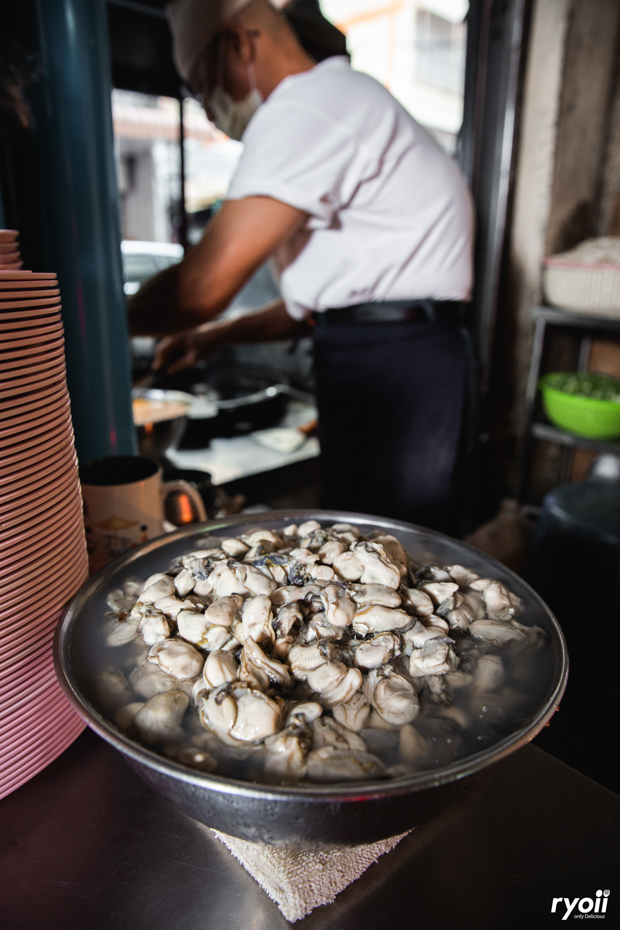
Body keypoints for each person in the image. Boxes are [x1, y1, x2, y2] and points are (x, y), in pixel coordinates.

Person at [129, 0, 474, 533]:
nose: (209, 111)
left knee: (399, 548)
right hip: (378, 354)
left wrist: (88, 318)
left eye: (202, 87)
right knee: (361, 540)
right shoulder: (335, 105)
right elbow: (308, 308)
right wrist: (212, 340)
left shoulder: (311, 105)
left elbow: (197, 291)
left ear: (241, 44)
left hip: (401, 365)